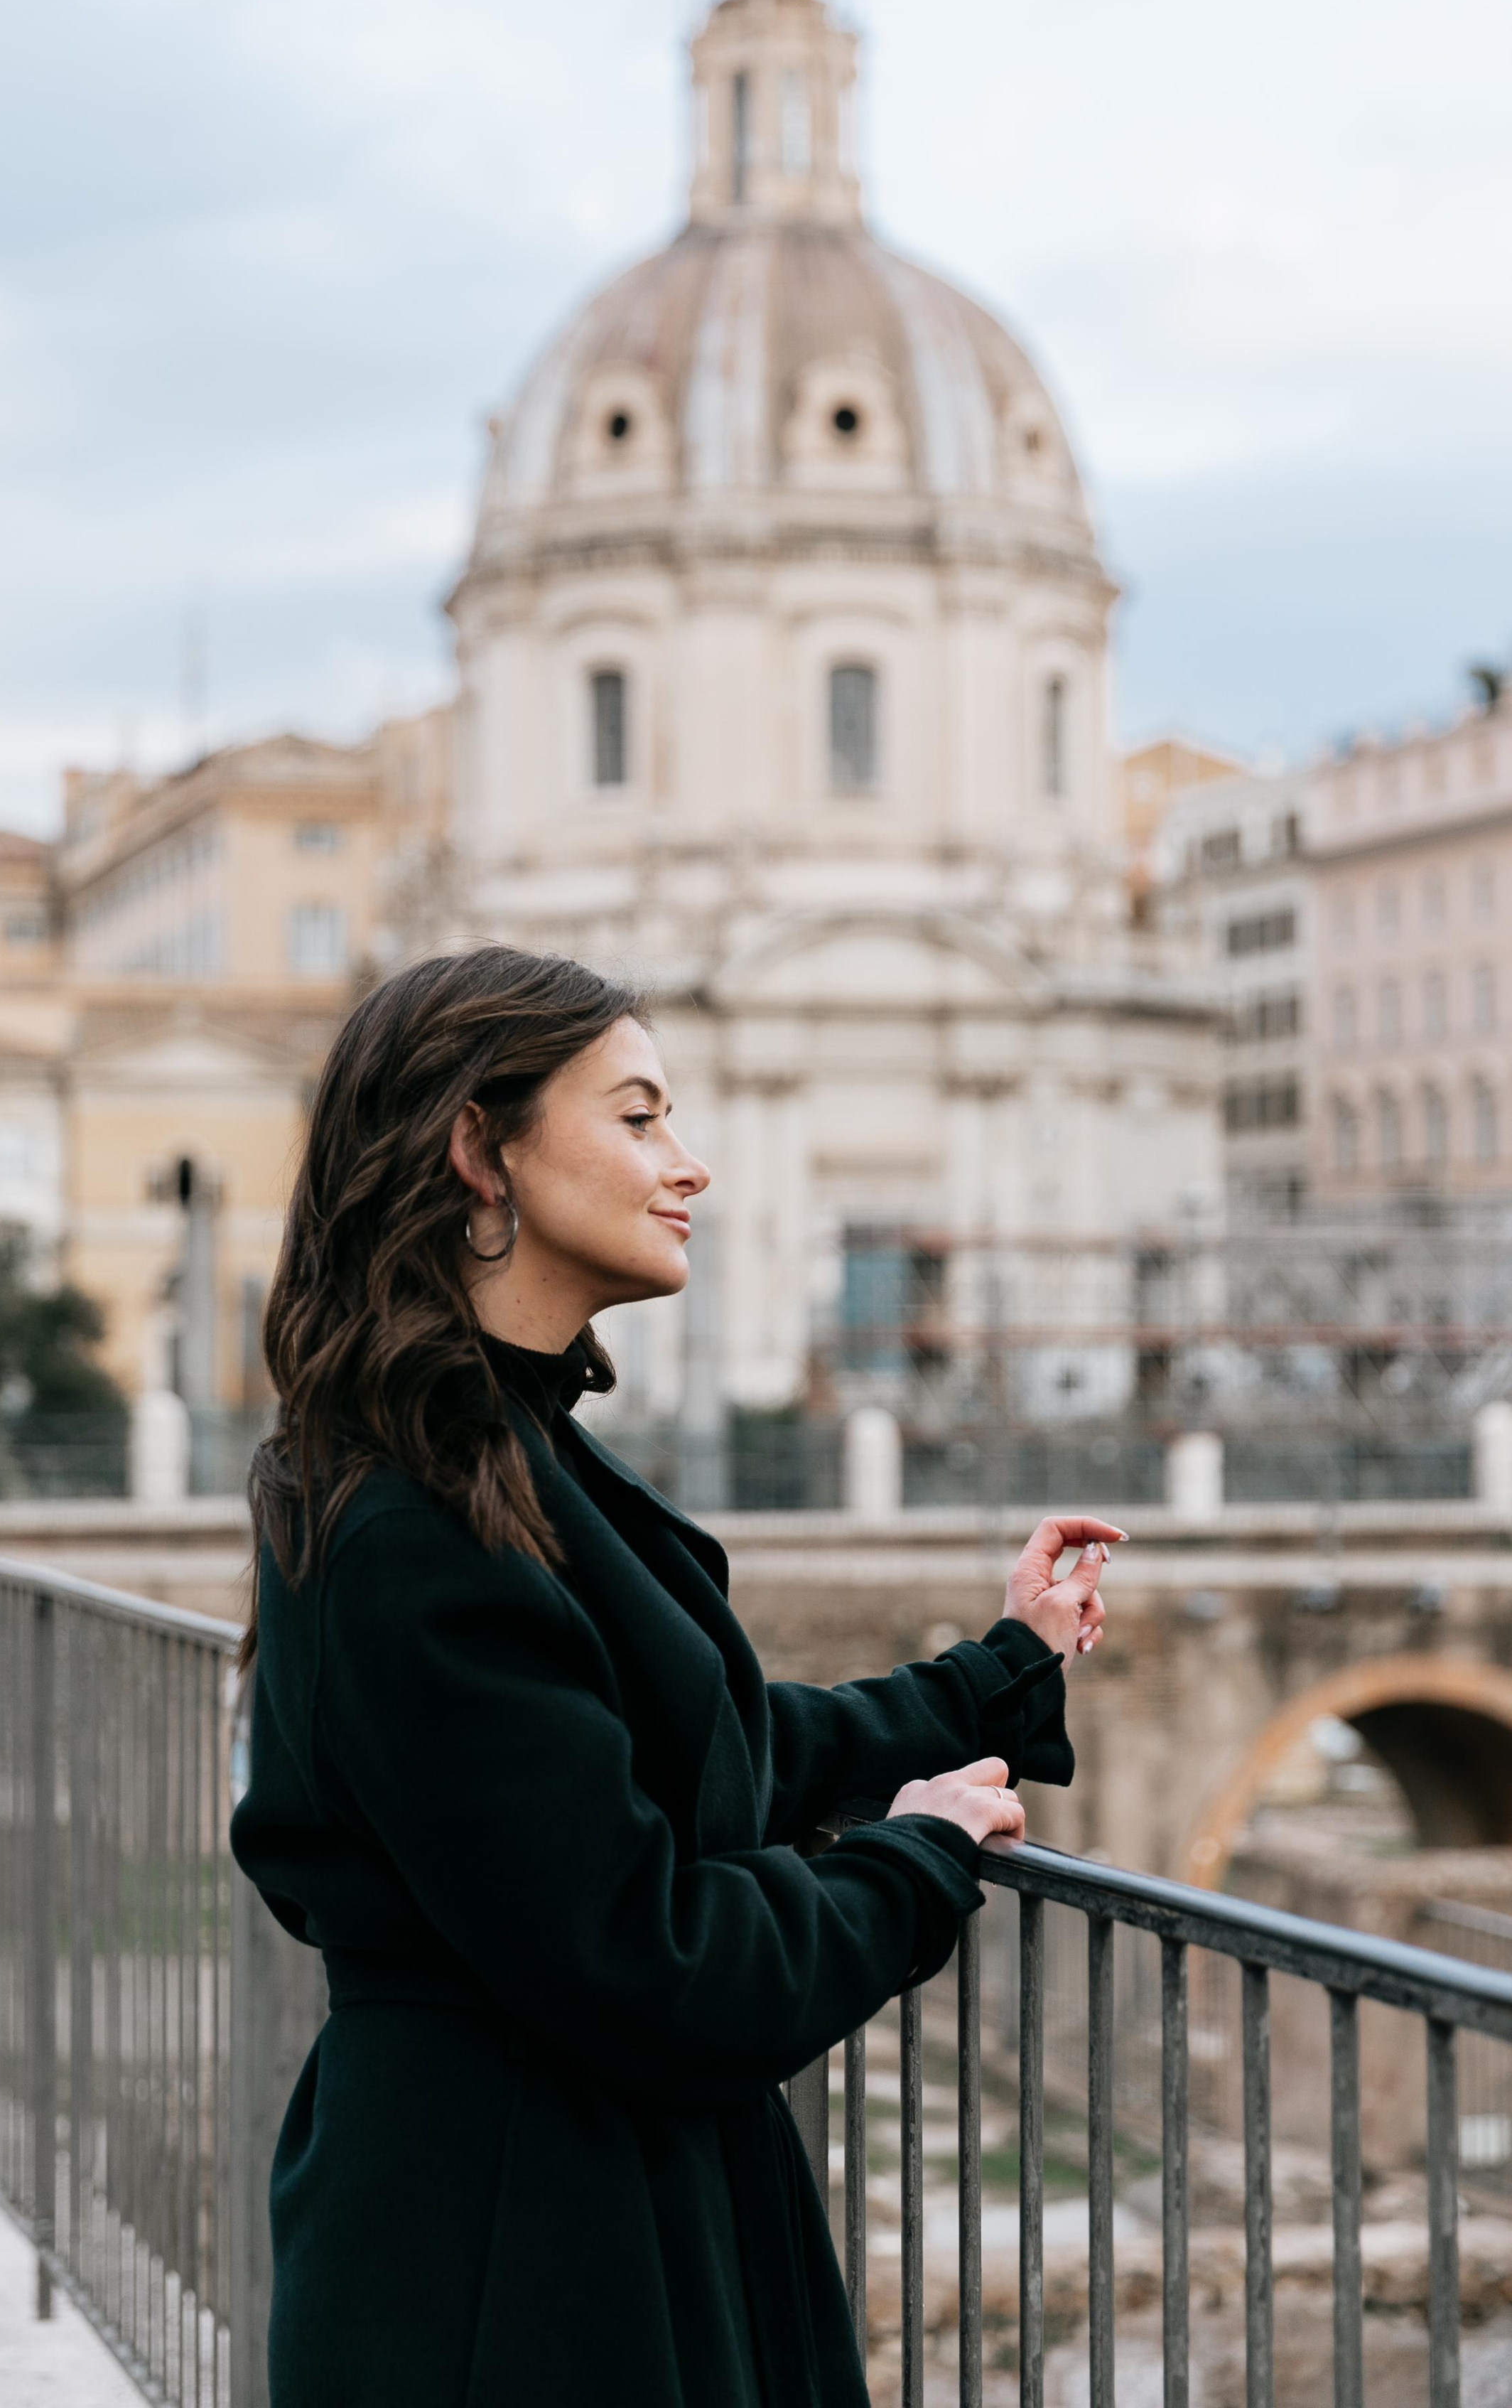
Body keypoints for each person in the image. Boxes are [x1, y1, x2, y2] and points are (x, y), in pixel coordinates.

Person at [231, 945, 1122, 2408]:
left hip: (571, 2205)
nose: (688, 1165)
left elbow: (690, 1751)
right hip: (508, 2263)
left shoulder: (495, 1458)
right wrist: (911, 1861)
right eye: (638, 1118)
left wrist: (995, 1672)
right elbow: (646, 1958)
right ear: (479, 1151)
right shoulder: (419, 1519)